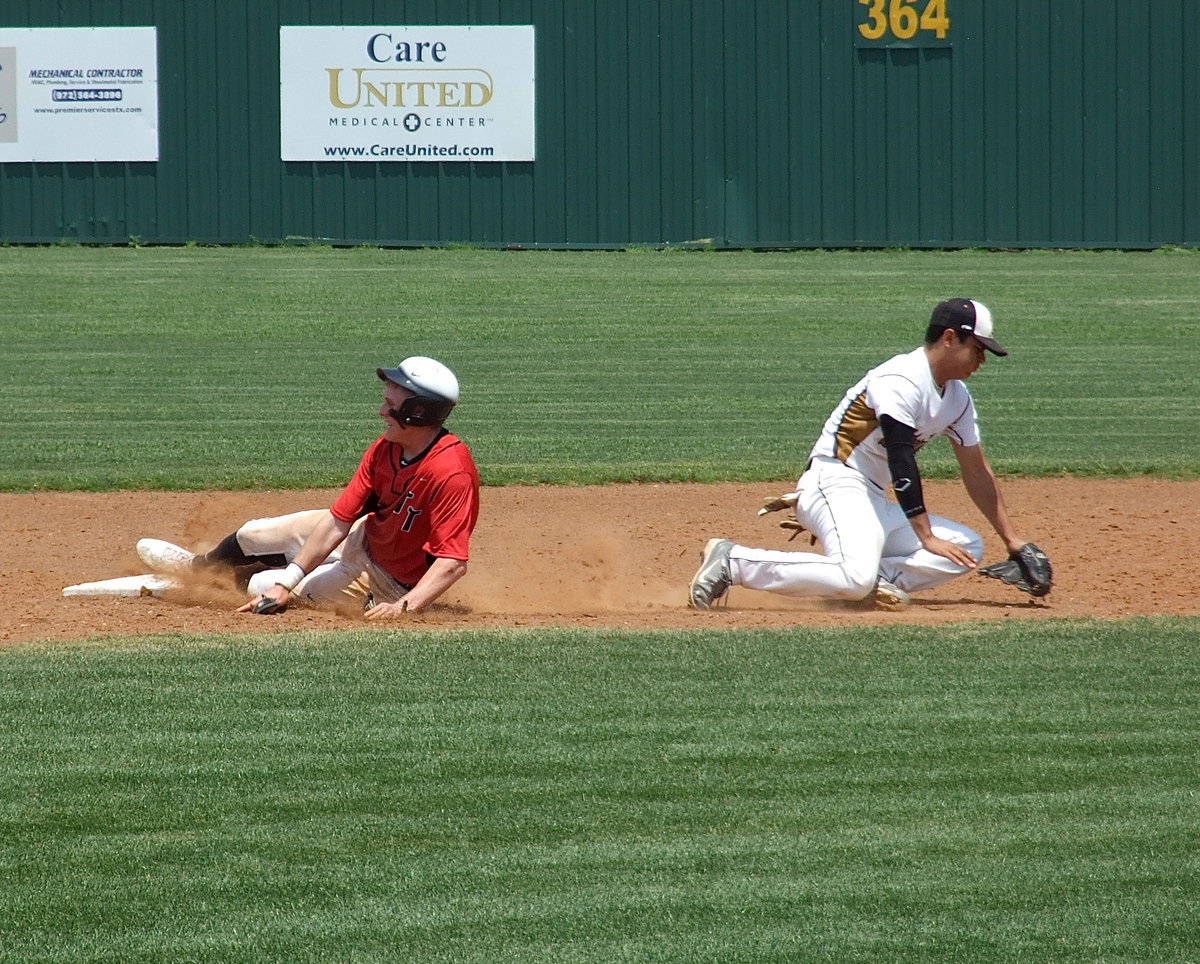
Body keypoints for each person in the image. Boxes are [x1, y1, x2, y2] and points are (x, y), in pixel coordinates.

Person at [688, 298, 1037, 611]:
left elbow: (976, 471)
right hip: (834, 482)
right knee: (854, 576)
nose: (982, 360)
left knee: (966, 548)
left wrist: (1013, 541)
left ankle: (877, 581)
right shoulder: (901, 378)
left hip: (871, 499)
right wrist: (925, 535)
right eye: (978, 348)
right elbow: (902, 456)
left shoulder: (957, 398)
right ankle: (734, 562)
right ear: (949, 338)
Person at [137, 355, 480, 619]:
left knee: (262, 586)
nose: (380, 411)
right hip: (364, 536)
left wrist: (404, 605)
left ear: (417, 412)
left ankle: (215, 585)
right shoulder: (386, 448)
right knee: (255, 533)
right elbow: (337, 522)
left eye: (391, 406)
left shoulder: (451, 472)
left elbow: (452, 561)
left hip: (387, 581)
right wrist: (289, 581)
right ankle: (199, 568)